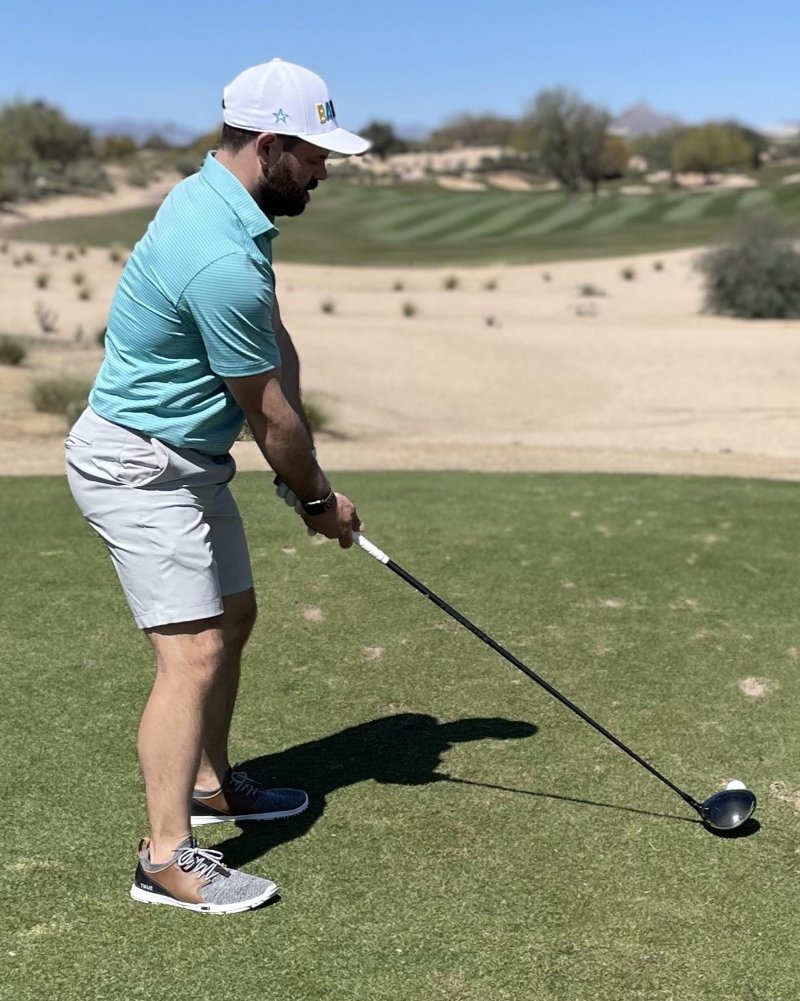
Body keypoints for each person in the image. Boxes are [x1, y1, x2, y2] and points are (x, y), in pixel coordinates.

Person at [65, 58, 370, 914]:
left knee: (234, 616)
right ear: (269, 144)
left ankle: (208, 779)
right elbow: (269, 415)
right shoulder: (218, 252)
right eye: (313, 156)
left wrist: (301, 474)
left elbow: (275, 352)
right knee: (192, 649)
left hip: (189, 462)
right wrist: (315, 498)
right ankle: (164, 856)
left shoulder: (226, 205)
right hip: (138, 465)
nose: (323, 173)